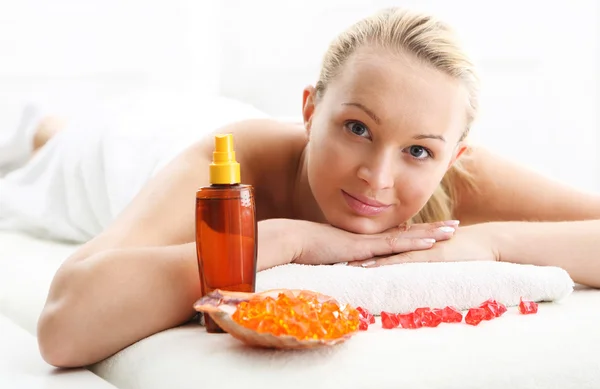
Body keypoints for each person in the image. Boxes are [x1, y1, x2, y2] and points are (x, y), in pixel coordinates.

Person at [5, 7, 597, 368]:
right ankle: (41, 127)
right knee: (54, 141)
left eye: (418, 151)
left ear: (453, 155)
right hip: (131, 144)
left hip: (209, 120)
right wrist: (281, 240)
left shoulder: (464, 173)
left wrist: (489, 243)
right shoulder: (236, 164)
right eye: (356, 127)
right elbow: (64, 325)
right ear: (311, 111)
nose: (378, 176)